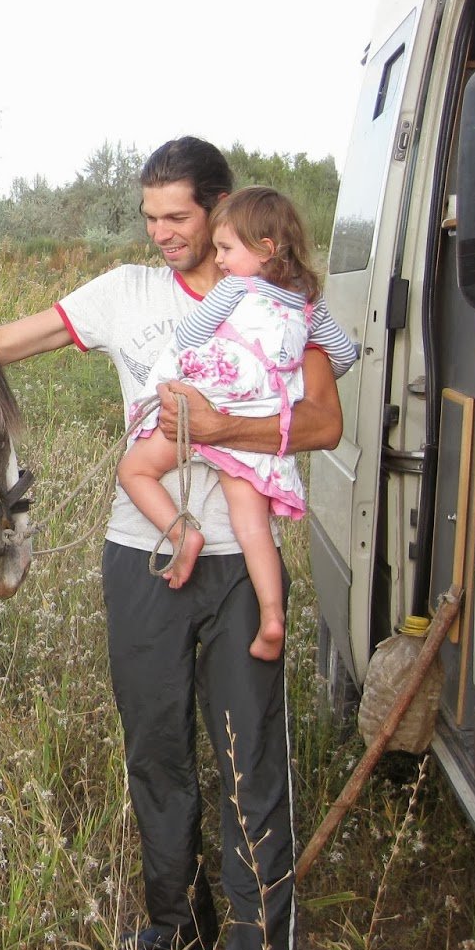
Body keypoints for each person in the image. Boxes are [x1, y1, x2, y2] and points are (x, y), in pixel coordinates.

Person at [0, 137, 342, 950]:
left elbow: (325, 422)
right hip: (139, 555)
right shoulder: (124, 292)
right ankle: (176, 923)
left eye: (177, 217)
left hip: (238, 562)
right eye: (149, 217)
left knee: (250, 755)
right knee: (156, 749)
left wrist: (223, 432)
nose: (160, 234)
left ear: (221, 210)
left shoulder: (280, 298)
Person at [118, 186, 357, 661]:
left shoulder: (236, 288)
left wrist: (164, 387)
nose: (221, 260)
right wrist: (288, 373)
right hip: (256, 429)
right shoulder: (309, 303)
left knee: (133, 471)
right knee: (253, 528)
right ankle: (271, 619)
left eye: (227, 248)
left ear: (266, 249)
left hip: (202, 409)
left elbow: (188, 336)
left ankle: (182, 535)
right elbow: (344, 356)